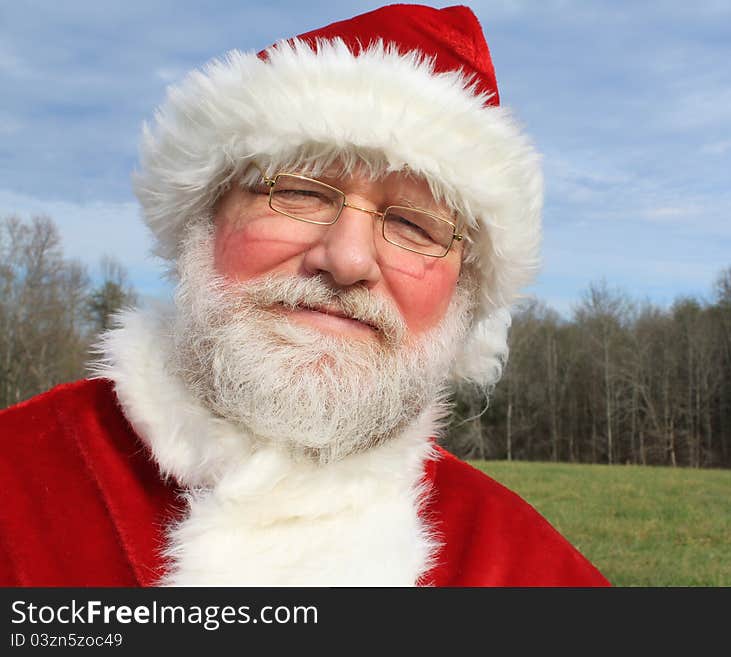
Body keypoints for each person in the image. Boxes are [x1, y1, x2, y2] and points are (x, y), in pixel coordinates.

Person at [0, 4, 609, 587]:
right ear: (203, 221)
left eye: (416, 227)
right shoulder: (20, 479)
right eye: (301, 192)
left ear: (465, 296)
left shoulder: (534, 574)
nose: (346, 260)